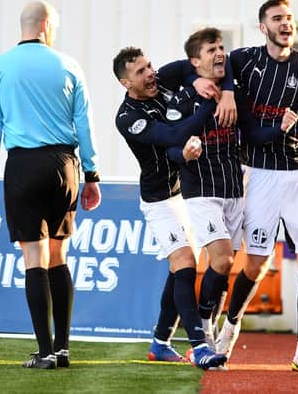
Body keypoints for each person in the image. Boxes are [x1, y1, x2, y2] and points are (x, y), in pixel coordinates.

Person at [216, 0, 298, 374]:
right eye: (277, 18)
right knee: (255, 265)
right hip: (259, 174)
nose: (286, 24)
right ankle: (230, 327)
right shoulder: (243, 61)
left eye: (289, 18)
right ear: (263, 27)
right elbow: (216, 73)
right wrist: (225, 90)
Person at [0, 0, 102, 369]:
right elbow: (86, 125)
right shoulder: (70, 66)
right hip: (65, 165)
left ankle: (45, 351)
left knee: (34, 257)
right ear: (47, 26)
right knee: (59, 255)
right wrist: (92, 175)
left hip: (23, 165)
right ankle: (62, 350)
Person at [166, 28, 298, 362]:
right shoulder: (183, 96)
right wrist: (185, 152)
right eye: (212, 49)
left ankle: (206, 327)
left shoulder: (233, 93)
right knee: (222, 259)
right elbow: (169, 145)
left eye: (222, 47)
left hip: (234, 190)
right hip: (201, 191)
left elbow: (252, 134)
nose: (221, 53)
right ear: (196, 61)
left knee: (224, 268)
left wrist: (279, 129)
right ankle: (204, 329)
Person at [113, 46, 229, 370]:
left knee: (180, 270)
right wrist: (211, 101)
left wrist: (197, 81)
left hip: (185, 190)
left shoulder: (161, 79)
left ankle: (160, 343)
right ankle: (199, 346)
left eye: (149, 66)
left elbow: (187, 65)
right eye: (140, 72)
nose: (151, 74)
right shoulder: (127, 118)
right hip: (159, 200)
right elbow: (174, 136)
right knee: (185, 263)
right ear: (126, 83)